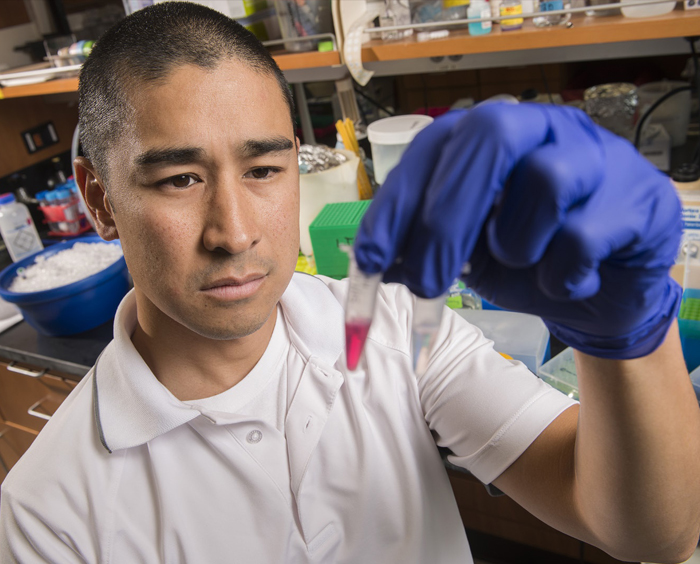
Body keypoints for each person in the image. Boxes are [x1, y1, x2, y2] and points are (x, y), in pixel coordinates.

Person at [1, 2, 699, 562]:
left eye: (263, 169)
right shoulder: (47, 516)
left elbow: (651, 535)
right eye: (179, 179)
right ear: (97, 200)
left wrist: (628, 336)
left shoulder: (392, 327)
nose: (235, 231)